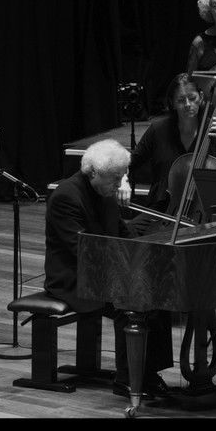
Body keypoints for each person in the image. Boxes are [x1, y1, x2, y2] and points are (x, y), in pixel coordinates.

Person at [44, 138, 174, 399]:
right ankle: (127, 380)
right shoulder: (66, 197)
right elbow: (82, 251)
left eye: (122, 177)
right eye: (116, 178)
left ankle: (147, 373)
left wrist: (145, 257)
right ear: (93, 173)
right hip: (74, 278)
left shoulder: (104, 191)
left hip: (103, 271)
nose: (119, 184)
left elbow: (123, 234)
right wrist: (127, 272)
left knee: (156, 292)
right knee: (130, 302)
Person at [129, 72, 216, 336]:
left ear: (201, 97)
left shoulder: (215, 128)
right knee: (131, 232)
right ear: (172, 103)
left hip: (207, 212)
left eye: (192, 98)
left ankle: (215, 307)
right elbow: (131, 162)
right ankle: (145, 301)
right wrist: (122, 180)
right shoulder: (159, 129)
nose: (188, 105)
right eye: (181, 100)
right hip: (165, 209)